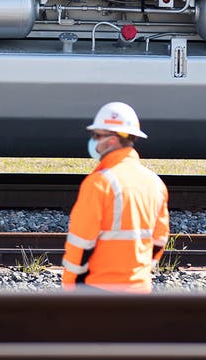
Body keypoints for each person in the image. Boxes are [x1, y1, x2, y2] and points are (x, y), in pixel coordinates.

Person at [62, 101, 169, 292]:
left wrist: (71, 287)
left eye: (97, 135)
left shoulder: (99, 184)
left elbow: (80, 244)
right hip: (140, 289)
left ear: (111, 140)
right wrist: (138, 274)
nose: (93, 141)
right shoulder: (155, 183)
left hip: (99, 290)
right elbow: (159, 240)